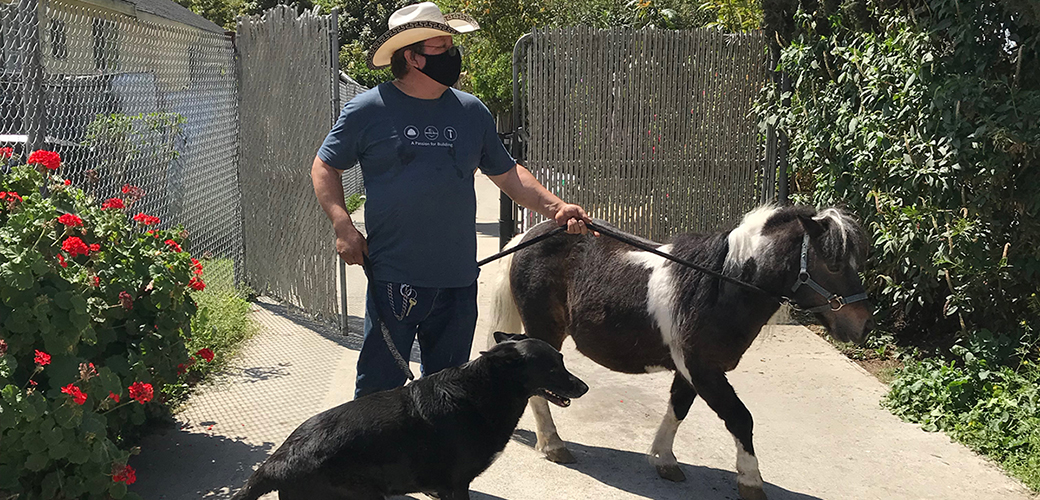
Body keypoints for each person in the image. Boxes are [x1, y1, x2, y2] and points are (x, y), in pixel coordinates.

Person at [311, 2, 592, 399]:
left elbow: (509, 174)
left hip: (458, 280)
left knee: (448, 392)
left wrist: (556, 207)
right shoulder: (368, 110)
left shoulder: (470, 112)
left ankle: (432, 462)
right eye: (443, 46)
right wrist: (343, 225)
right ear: (412, 56)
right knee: (379, 391)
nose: (454, 56)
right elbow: (324, 167)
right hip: (394, 278)